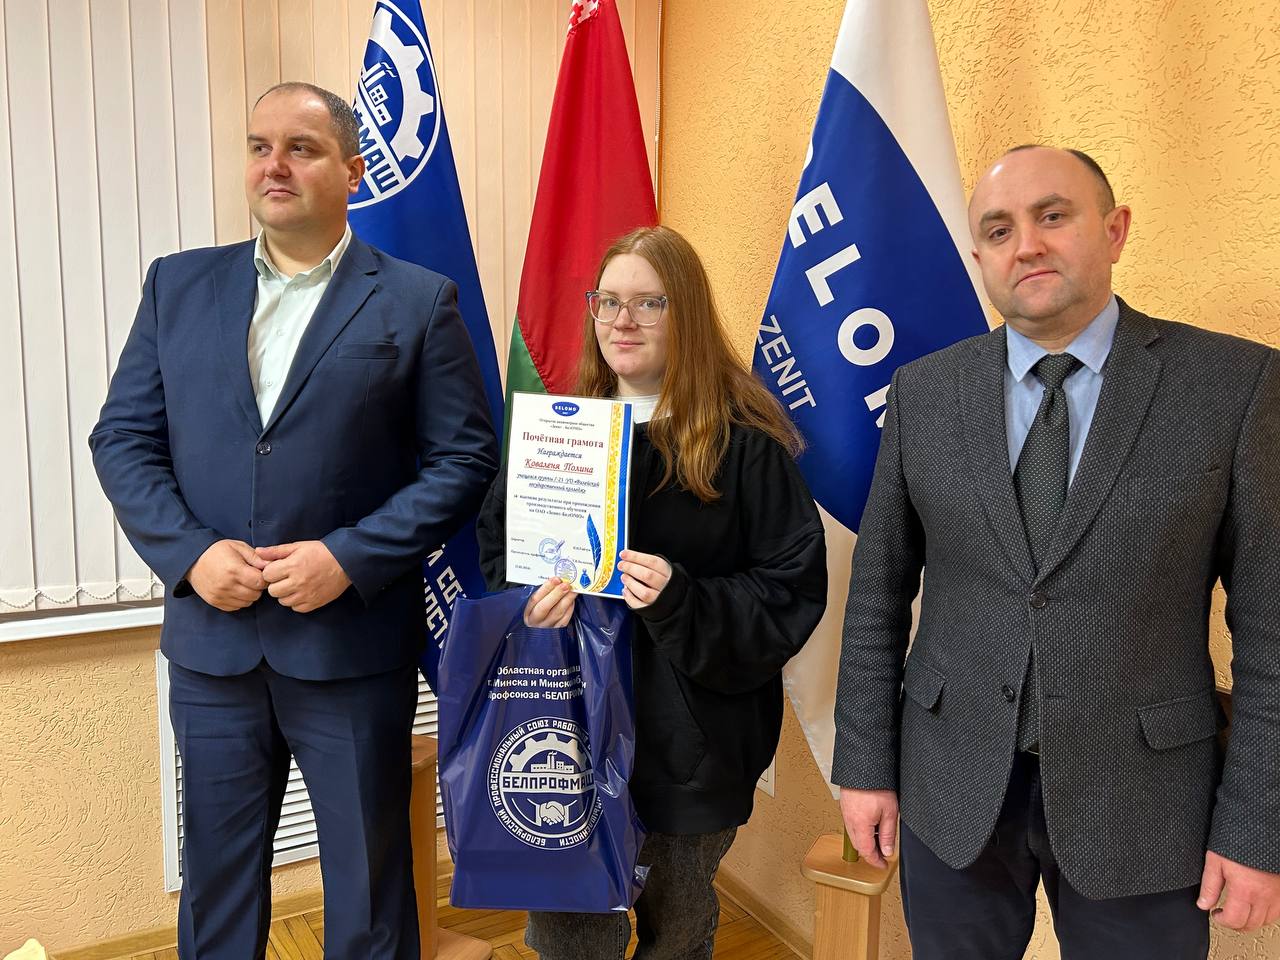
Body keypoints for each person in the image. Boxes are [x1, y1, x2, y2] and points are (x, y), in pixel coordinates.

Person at [832, 144, 1280, 959]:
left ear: (1115, 230)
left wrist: (1258, 827)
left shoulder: (1235, 386)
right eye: (999, 230)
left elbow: (1272, 630)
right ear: (980, 260)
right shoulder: (924, 392)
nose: (1027, 246)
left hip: (1144, 801)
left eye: (1053, 216)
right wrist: (863, 764)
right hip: (951, 784)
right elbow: (876, 596)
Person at [90, 82, 498, 959]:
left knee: (369, 893)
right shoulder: (176, 286)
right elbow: (122, 440)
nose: (273, 165)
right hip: (214, 647)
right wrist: (192, 555)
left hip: (351, 647)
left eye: (301, 148)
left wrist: (350, 556)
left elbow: (465, 460)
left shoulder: (418, 300)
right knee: (217, 886)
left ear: (352, 170)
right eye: (258, 146)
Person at [476, 225, 827, 959]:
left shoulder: (744, 442)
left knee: (678, 934)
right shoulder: (556, 436)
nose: (622, 321)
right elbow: (500, 550)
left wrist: (680, 598)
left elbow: (790, 591)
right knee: (569, 937)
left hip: (691, 747)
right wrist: (528, 605)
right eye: (607, 301)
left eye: (648, 303)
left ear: (686, 313)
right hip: (564, 732)